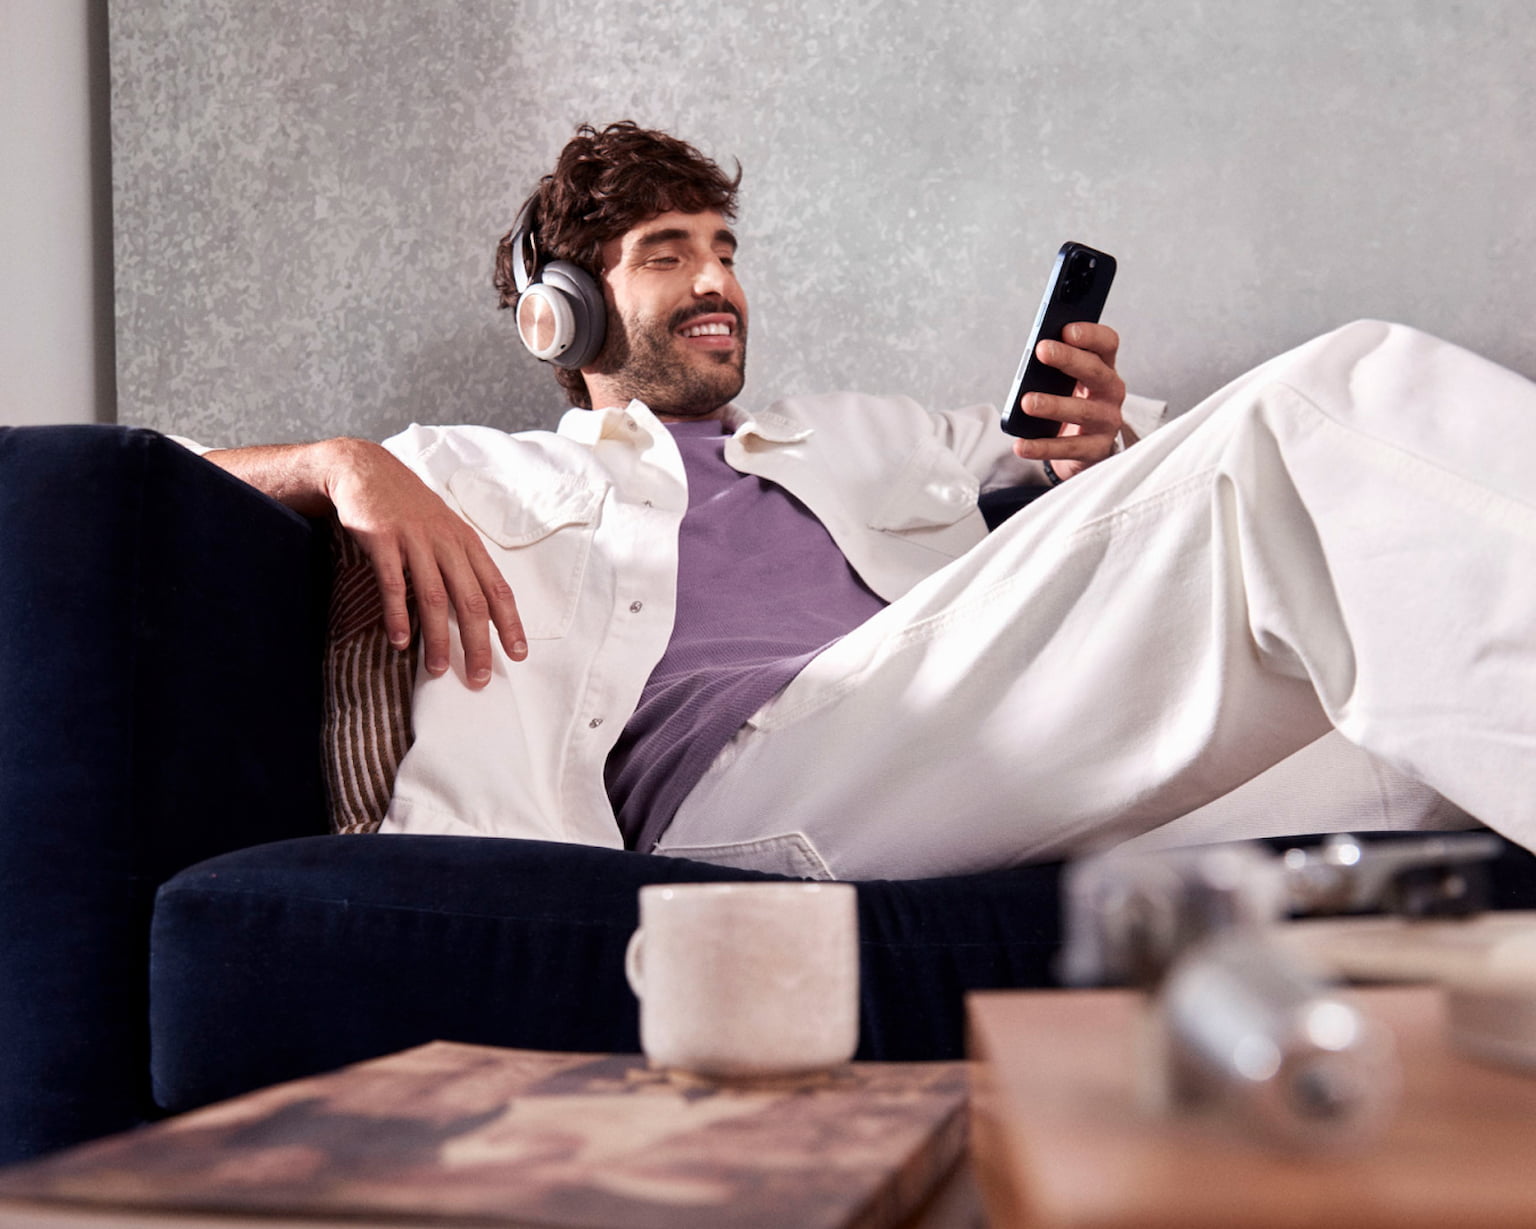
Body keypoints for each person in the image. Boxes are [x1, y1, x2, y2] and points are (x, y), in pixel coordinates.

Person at [198, 121, 1535, 880]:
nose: (717, 280)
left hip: (945, 747)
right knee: (1332, 402)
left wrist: (1100, 454)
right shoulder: (480, 470)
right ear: (565, 313)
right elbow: (141, 477)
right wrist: (339, 462)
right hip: (745, 802)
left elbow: (1150, 503)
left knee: (1419, 681)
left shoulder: (858, 435)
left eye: (724, 249)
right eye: (669, 256)